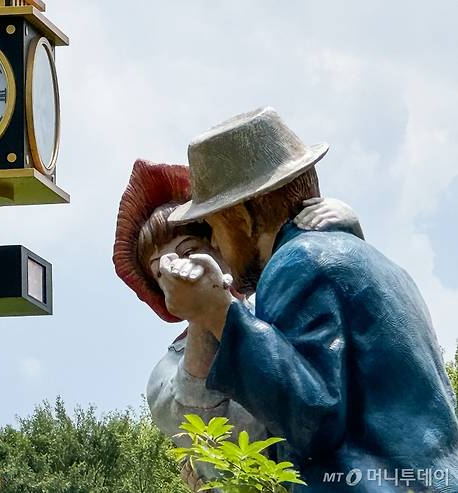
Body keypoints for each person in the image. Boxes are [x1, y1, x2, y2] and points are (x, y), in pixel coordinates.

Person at [160, 107, 458, 492]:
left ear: (243, 217)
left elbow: (313, 416)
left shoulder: (297, 263)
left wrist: (219, 312)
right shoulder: (381, 266)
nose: (215, 243)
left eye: (215, 226)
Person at [113, 158, 364, 490]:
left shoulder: (285, 303)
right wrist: (203, 315)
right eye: (161, 270)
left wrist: (344, 236)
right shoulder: (166, 374)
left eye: (190, 250)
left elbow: (356, 333)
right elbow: (198, 423)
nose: (178, 269)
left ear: (221, 243)